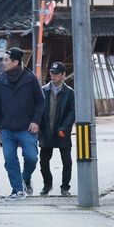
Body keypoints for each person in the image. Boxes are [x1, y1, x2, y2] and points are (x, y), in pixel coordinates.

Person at [0, 46, 45, 199]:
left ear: (16, 62)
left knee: (31, 157)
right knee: (9, 159)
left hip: (26, 127)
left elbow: (40, 101)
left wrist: (36, 121)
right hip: (7, 128)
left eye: (6, 60)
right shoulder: (1, 80)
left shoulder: (30, 79)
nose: (3, 63)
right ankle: (17, 190)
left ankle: (26, 177)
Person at [39, 62, 75, 196]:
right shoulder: (44, 90)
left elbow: (73, 112)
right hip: (46, 131)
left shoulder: (69, 93)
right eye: (52, 73)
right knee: (43, 161)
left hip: (62, 132)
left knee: (67, 162)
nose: (53, 76)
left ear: (63, 75)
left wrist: (64, 128)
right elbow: (38, 109)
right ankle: (47, 185)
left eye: (56, 74)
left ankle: (65, 187)